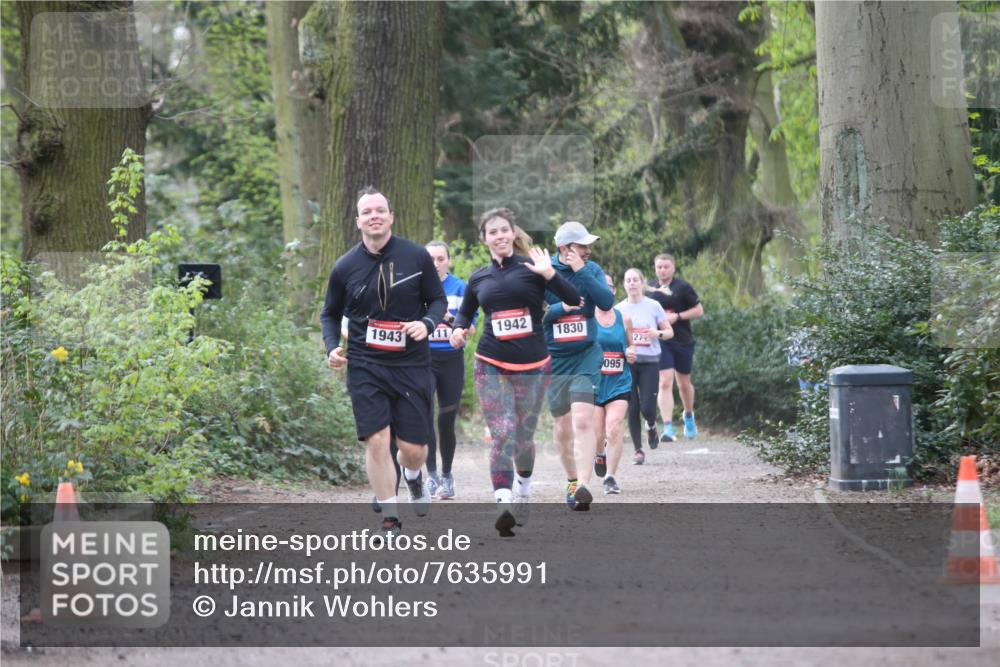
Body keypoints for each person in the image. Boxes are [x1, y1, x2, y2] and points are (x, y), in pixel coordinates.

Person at [320, 187, 447, 537]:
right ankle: (390, 515)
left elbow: (437, 302)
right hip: (365, 363)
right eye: (367, 212)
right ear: (358, 220)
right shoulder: (345, 266)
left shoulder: (416, 257)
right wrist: (331, 346)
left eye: (380, 210)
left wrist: (426, 324)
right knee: (376, 439)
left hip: (410, 364)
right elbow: (329, 314)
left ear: (391, 216)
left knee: (412, 450)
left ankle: (413, 476)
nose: (374, 216)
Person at [450, 208, 580, 536]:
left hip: (534, 366)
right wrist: (458, 330)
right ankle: (503, 502)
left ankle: (523, 491)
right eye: (492, 232)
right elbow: (465, 315)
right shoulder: (478, 278)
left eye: (504, 230)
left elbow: (574, 299)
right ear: (484, 239)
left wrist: (551, 274)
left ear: (512, 233)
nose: (499, 236)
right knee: (503, 432)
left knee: (523, 437)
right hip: (491, 363)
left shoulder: (534, 269)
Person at [543, 221, 615, 511]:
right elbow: (534, 315)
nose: (588, 250)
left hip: (587, 356)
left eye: (588, 245)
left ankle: (583, 485)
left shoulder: (591, 269)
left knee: (583, 419)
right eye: (582, 245)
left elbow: (607, 302)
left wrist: (581, 272)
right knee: (562, 427)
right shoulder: (543, 271)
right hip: (554, 359)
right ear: (564, 248)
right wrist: (562, 308)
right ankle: (572, 479)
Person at [424, 240, 475, 500]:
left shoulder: (460, 287)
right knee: (425, 415)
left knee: (446, 420)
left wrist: (448, 318)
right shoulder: (416, 287)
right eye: (430, 258)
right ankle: (430, 475)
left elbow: (471, 327)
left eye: (440, 258)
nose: (435, 264)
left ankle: (447, 475)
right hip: (424, 359)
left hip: (451, 360)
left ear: (448, 260)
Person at [646, 254, 703, 442]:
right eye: (659, 267)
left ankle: (688, 416)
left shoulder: (683, 287)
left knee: (684, 384)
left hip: (683, 340)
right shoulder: (650, 289)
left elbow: (698, 310)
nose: (662, 270)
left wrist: (677, 317)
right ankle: (668, 428)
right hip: (661, 341)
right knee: (664, 381)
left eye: (666, 267)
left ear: (673, 268)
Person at [618, 268, 673, 464]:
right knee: (632, 406)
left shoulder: (653, 305)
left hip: (650, 362)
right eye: (628, 280)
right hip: (629, 363)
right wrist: (624, 350)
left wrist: (656, 333)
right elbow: (614, 338)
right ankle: (638, 450)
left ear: (642, 283)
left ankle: (651, 425)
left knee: (648, 407)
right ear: (624, 284)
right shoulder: (619, 309)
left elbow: (669, 332)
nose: (632, 283)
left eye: (635, 280)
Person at [592, 272, 636, 494]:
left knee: (615, 427)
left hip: (619, 381)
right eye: (601, 286)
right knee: (598, 434)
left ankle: (610, 477)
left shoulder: (624, 318)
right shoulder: (587, 318)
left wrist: (631, 353)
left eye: (609, 286)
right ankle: (599, 454)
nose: (605, 290)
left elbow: (631, 346)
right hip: (595, 383)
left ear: (614, 291)